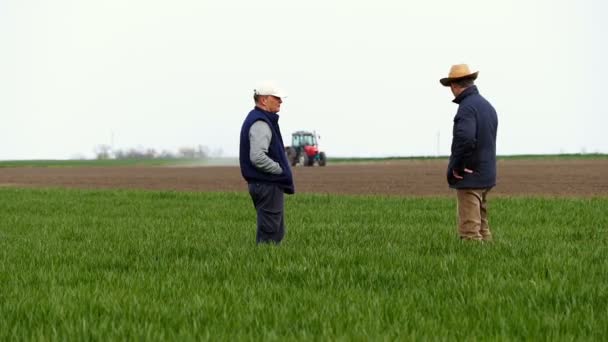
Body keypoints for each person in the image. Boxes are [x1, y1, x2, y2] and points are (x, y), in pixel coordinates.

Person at [440, 64, 498, 241]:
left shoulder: (466, 108)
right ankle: (493, 262)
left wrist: (456, 168)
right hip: (486, 173)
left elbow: (465, 140)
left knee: (470, 233)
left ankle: (474, 266)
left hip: (470, 176)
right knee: (482, 227)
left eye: (451, 86)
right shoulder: (487, 106)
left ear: (455, 85)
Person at [239, 81, 294, 244]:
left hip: (265, 184)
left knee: (274, 230)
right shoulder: (261, 123)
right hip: (267, 184)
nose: (281, 101)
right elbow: (257, 157)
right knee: (270, 234)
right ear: (263, 100)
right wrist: (280, 170)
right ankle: (263, 266)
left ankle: (268, 264)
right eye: (276, 98)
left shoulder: (259, 119)